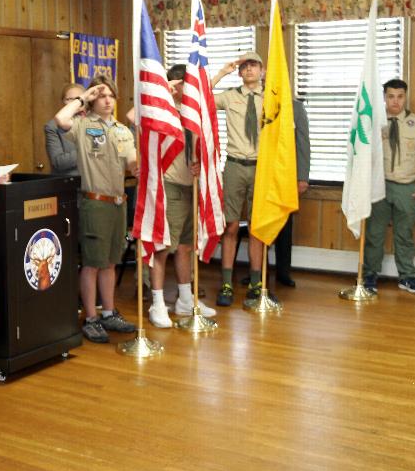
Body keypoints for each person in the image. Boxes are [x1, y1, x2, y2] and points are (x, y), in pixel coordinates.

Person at [130, 65, 217, 328]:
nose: (183, 90)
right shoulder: (161, 110)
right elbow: (133, 116)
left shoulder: (191, 113)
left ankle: (184, 298)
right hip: (168, 187)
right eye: (180, 84)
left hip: (191, 186)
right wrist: (166, 90)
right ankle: (157, 302)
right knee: (163, 246)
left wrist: (198, 165)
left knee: (185, 247)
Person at [54, 75, 138, 343]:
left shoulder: (122, 130)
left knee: (110, 262)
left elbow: (133, 165)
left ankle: (109, 312)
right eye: (101, 95)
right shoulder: (82, 125)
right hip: (95, 203)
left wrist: (143, 163)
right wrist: (83, 97)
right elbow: (60, 120)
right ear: (92, 99)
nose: (107, 100)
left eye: (110, 95)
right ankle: (91, 317)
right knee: (92, 263)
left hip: (118, 204)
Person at [363, 79, 415, 294]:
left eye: (400, 96)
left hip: (405, 186)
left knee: (404, 234)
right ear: (384, 97)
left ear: (405, 97)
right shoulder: (374, 122)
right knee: (374, 234)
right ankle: (370, 275)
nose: (395, 101)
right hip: (379, 185)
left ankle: (407, 276)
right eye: (391, 96)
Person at [210, 51, 265, 306]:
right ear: (240, 72)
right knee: (231, 226)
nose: (249, 69)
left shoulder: (271, 98)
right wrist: (223, 72)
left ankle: (256, 282)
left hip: (261, 167)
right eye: (245, 66)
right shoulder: (230, 97)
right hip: (233, 166)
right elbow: (200, 97)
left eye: (254, 65)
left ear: (262, 71)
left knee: (257, 228)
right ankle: (227, 283)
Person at [271, 98, 311, 287]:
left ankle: (283, 272)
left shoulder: (295, 107)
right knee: (260, 223)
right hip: (262, 173)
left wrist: (302, 176)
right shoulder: (259, 102)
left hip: (287, 175)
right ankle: (257, 272)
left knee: (285, 227)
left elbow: (303, 142)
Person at [44, 83, 86, 175]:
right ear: (63, 102)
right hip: (69, 184)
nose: (75, 103)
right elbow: (58, 162)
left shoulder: (95, 123)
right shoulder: (52, 126)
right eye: (69, 99)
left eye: (79, 99)